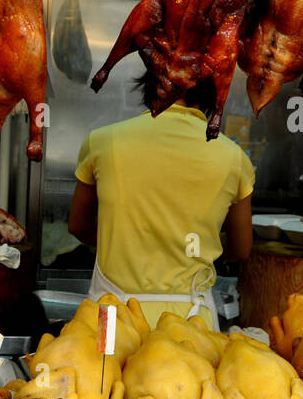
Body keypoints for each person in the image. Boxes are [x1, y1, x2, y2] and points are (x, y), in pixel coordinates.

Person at [67, 78, 254, 330]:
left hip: (114, 319)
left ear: (152, 84)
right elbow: (241, 249)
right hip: (193, 322)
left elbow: (78, 225)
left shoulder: (103, 141)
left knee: (105, 372)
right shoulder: (234, 157)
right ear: (213, 93)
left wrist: (125, 240)